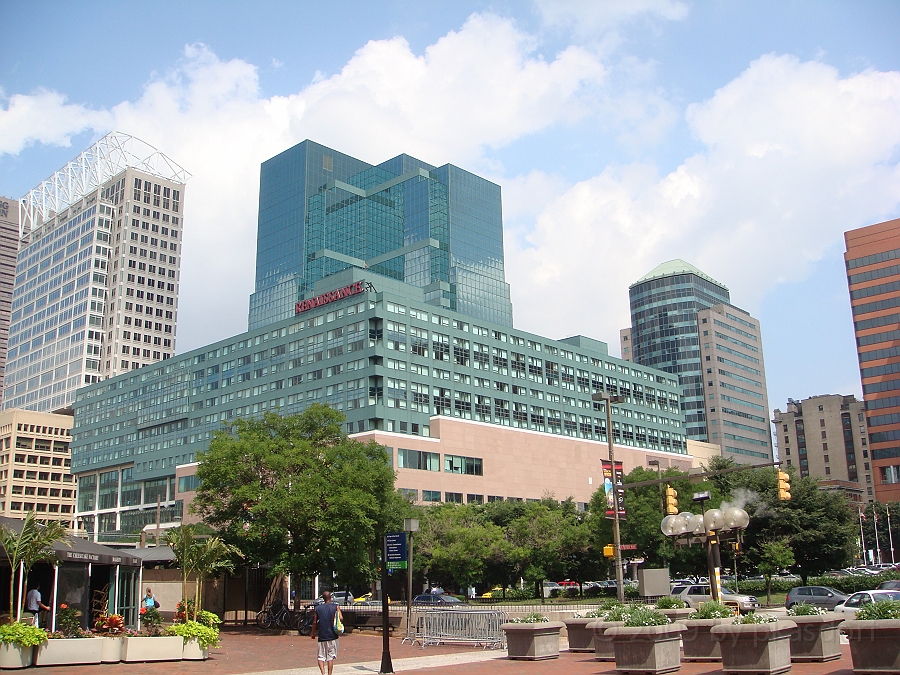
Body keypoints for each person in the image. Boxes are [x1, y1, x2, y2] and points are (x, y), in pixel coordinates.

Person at [310, 590, 342, 675]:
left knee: (321, 656)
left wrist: (313, 633)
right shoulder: (335, 607)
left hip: (322, 635)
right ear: (330, 598)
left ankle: (323, 673)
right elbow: (341, 618)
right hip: (332, 635)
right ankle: (329, 674)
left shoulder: (318, 608)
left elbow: (314, 622)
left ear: (323, 598)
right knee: (330, 657)